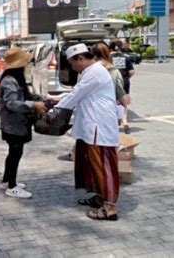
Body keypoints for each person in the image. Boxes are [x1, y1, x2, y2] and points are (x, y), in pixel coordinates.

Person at [55, 43, 120, 220]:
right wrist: (56, 101)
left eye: (72, 63)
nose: (72, 66)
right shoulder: (90, 72)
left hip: (99, 126)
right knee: (93, 165)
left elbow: (76, 94)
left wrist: (55, 110)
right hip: (92, 125)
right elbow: (77, 93)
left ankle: (109, 208)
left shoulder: (95, 72)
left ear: (81, 58)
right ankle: (100, 198)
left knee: (103, 165)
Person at [0, 47, 47, 198]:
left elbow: (25, 95)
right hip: (12, 124)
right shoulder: (9, 81)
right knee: (15, 153)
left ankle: (7, 181)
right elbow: (11, 103)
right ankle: (12, 186)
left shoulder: (15, 79)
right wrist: (33, 105)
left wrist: (40, 99)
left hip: (18, 123)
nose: (27, 65)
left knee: (14, 153)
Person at [110, 40, 135, 134]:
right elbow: (131, 72)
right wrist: (126, 78)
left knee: (112, 104)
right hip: (124, 84)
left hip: (111, 84)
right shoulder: (126, 57)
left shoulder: (107, 58)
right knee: (123, 104)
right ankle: (124, 121)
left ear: (110, 47)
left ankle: (114, 123)